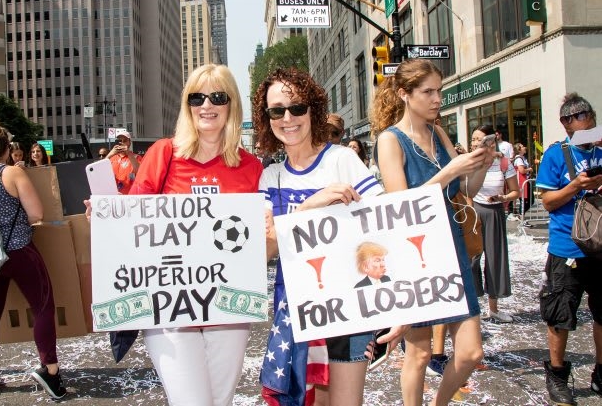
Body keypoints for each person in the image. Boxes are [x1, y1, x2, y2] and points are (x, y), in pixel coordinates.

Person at [253, 67, 397, 406]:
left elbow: (388, 228)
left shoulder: (342, 160)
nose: (287, 118)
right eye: (277, 110)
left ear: (313, 110)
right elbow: (264, 252)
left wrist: (399, 306)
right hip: (297, 314)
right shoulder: (269, 177)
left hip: (351, 309)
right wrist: (306, 209)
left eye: (297, 108)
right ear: (267, 118)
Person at [126, 64, 262, 405]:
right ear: (187, 105)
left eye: (218, 96)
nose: (207, 105)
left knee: (219, 401)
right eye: (197, 97)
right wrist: (103, 216)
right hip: (169, 302)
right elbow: (130, 221)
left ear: (231, 105)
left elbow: (261, 233)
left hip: (228, 303)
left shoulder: (251, 167)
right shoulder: (164, 153)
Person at [370, 59, 492, 406]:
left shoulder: (438, 133)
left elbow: (464, 188)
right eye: (428, 92)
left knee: (470, 352)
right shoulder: (390, 141)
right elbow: (400, 204)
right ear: (404, 95)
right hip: (415, 253)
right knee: (420, 353)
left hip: (451, 248)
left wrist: (480, 166)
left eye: (439, 90)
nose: (437, 98)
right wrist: (450, 169)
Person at [0, 120, 66, 399]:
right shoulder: (11, 174)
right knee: (42, 306)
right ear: (6, 150)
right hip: (18, 250)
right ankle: (50, 371)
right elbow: (36, 213)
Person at [535, 93, 602, 406]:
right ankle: (557, 374)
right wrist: (576, 186)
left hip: (599, 246)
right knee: (560, 315)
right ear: (566, 124)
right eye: (578, 122)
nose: (586, 128)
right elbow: (547, 201)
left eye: (589, 120)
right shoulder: (556, 154)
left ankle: (600, 373)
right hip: (567, 248)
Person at [469, 125, 520, 323]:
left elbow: (516, 191)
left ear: (491, 140)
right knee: (472, 260)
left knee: (495, 259)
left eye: (480, 139)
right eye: (473, 139)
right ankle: (474, 307)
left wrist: (503, 197)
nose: (475, 143)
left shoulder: (503, 162)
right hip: (473, 211)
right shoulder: (469, 162)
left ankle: (494, 308)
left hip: (495, 211)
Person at [513, 142, 534, 218]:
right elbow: (521, 170)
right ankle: (521, 216)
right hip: (522, 182)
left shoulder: (523, 158)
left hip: (525, 181)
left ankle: (521, 215)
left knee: (529, 200)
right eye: (522, 146)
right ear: (519, 150)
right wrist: (529, 169)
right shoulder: (519, 159)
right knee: (525, 200)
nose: (524, 147)